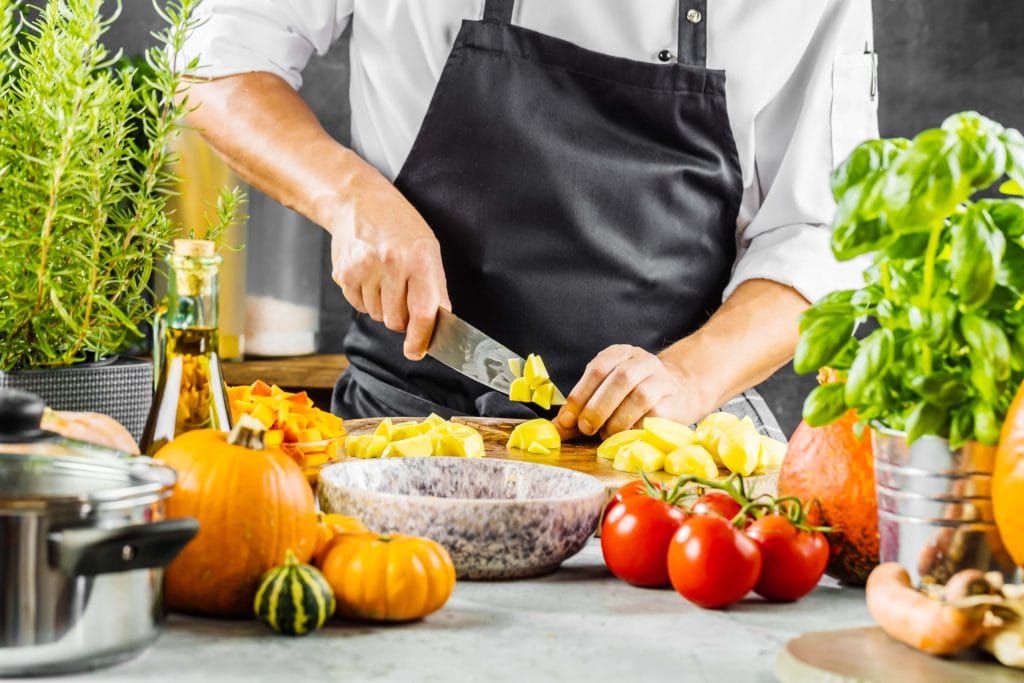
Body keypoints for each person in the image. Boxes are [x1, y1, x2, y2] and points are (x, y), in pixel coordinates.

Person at [178, 0, 877, 441]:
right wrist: (349, 197)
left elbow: (822, 236)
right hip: (405, 435)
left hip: (671, 467)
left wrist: (689, 378)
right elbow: (213, 58)